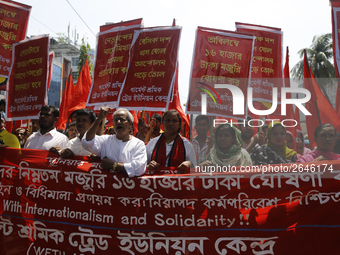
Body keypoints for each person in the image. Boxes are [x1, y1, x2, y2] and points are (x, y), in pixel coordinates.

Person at [82, 107, 147, 177]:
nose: (118, 122)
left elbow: (139, 168)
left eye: (122, 119)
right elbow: (87, 142)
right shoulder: (105, 140)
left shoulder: (138, 144)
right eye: (116, 120)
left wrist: (113, 165)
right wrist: (99, 119)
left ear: (130, 124)